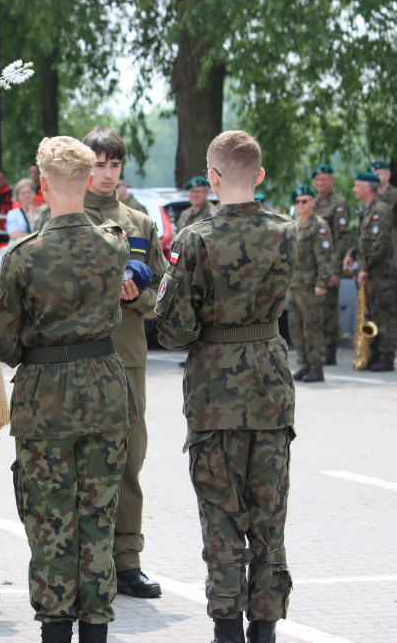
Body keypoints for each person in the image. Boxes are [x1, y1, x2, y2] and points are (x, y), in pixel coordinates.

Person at [0, 136, 131, 643]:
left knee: (49, 522)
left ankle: (55, 628)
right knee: (98, 518)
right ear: (90, 180)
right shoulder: (115, 241)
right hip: (106, 392)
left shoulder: (24, 256)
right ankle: (96, 629)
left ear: (41, 182)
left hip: (45, 396)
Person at [155, 131, 297, 643]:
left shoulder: (195, 239)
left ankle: (226, 631)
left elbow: (173, 331)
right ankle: (265, 630)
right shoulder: (288, 231)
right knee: (269, 519)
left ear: (213, 178)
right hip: (271, 386)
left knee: (220, 518)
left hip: (215, 390)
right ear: (258, 175)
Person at [79, 128, 166, 600]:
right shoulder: (66, 216)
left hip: (127, 357)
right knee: (81, 459)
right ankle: (82, 560)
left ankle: (127, 560)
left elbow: (163, 290)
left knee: (129, 458)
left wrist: (139, 295)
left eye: (114, 165)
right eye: (98, 164)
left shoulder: (138, 221)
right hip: (77, 355)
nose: (107, 173)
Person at [343, 172, 395, 372]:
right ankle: (374, 353)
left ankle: (386, 355)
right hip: (370, 273)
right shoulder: (367, 210)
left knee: (384, 314)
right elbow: (363, 240)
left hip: (381, 273)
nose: (354, 189)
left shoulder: (380, 210)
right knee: (370, 313)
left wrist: (366, 268)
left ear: (367, 188)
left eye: (357, 186)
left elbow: (380, 243)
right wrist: (352, 253)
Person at [287, 186, 335, 383]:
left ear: (313, 202)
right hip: (295, 286)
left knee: (312, 328)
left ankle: (316, 366)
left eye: (304, 201)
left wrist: (322, 283)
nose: (300, 205)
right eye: (297, 202)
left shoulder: (319, 226)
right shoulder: (296, 225)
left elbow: (325, 258)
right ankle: (305, 364)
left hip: (310, 286)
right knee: (296, 328)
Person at [310, 165, 349, 365]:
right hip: (313, 267)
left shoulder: (338, 203)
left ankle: (330, 349)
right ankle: (317, 348)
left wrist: (335, 270)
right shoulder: (312, 203)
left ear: (332, 180)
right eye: (317, 180)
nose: (320, 183)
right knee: (315, 310)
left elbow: (342, 239)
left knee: (328, 310)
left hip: (329, 265)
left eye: (324, 179)